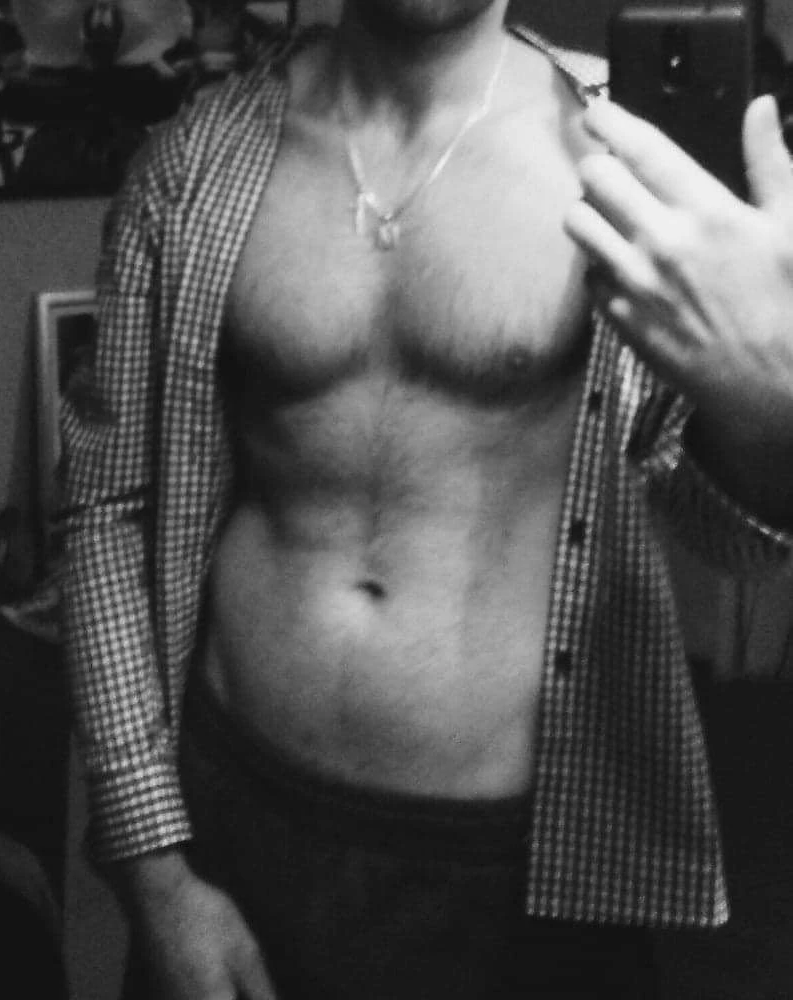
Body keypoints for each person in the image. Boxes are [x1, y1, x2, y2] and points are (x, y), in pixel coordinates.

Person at [59, 1, 793, 997]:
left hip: (515, 864)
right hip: (230, 814)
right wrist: (153, 871)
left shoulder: (631, 155)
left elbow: (734, 537)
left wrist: (766, 399)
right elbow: (107, 509)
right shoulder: (195, 159)